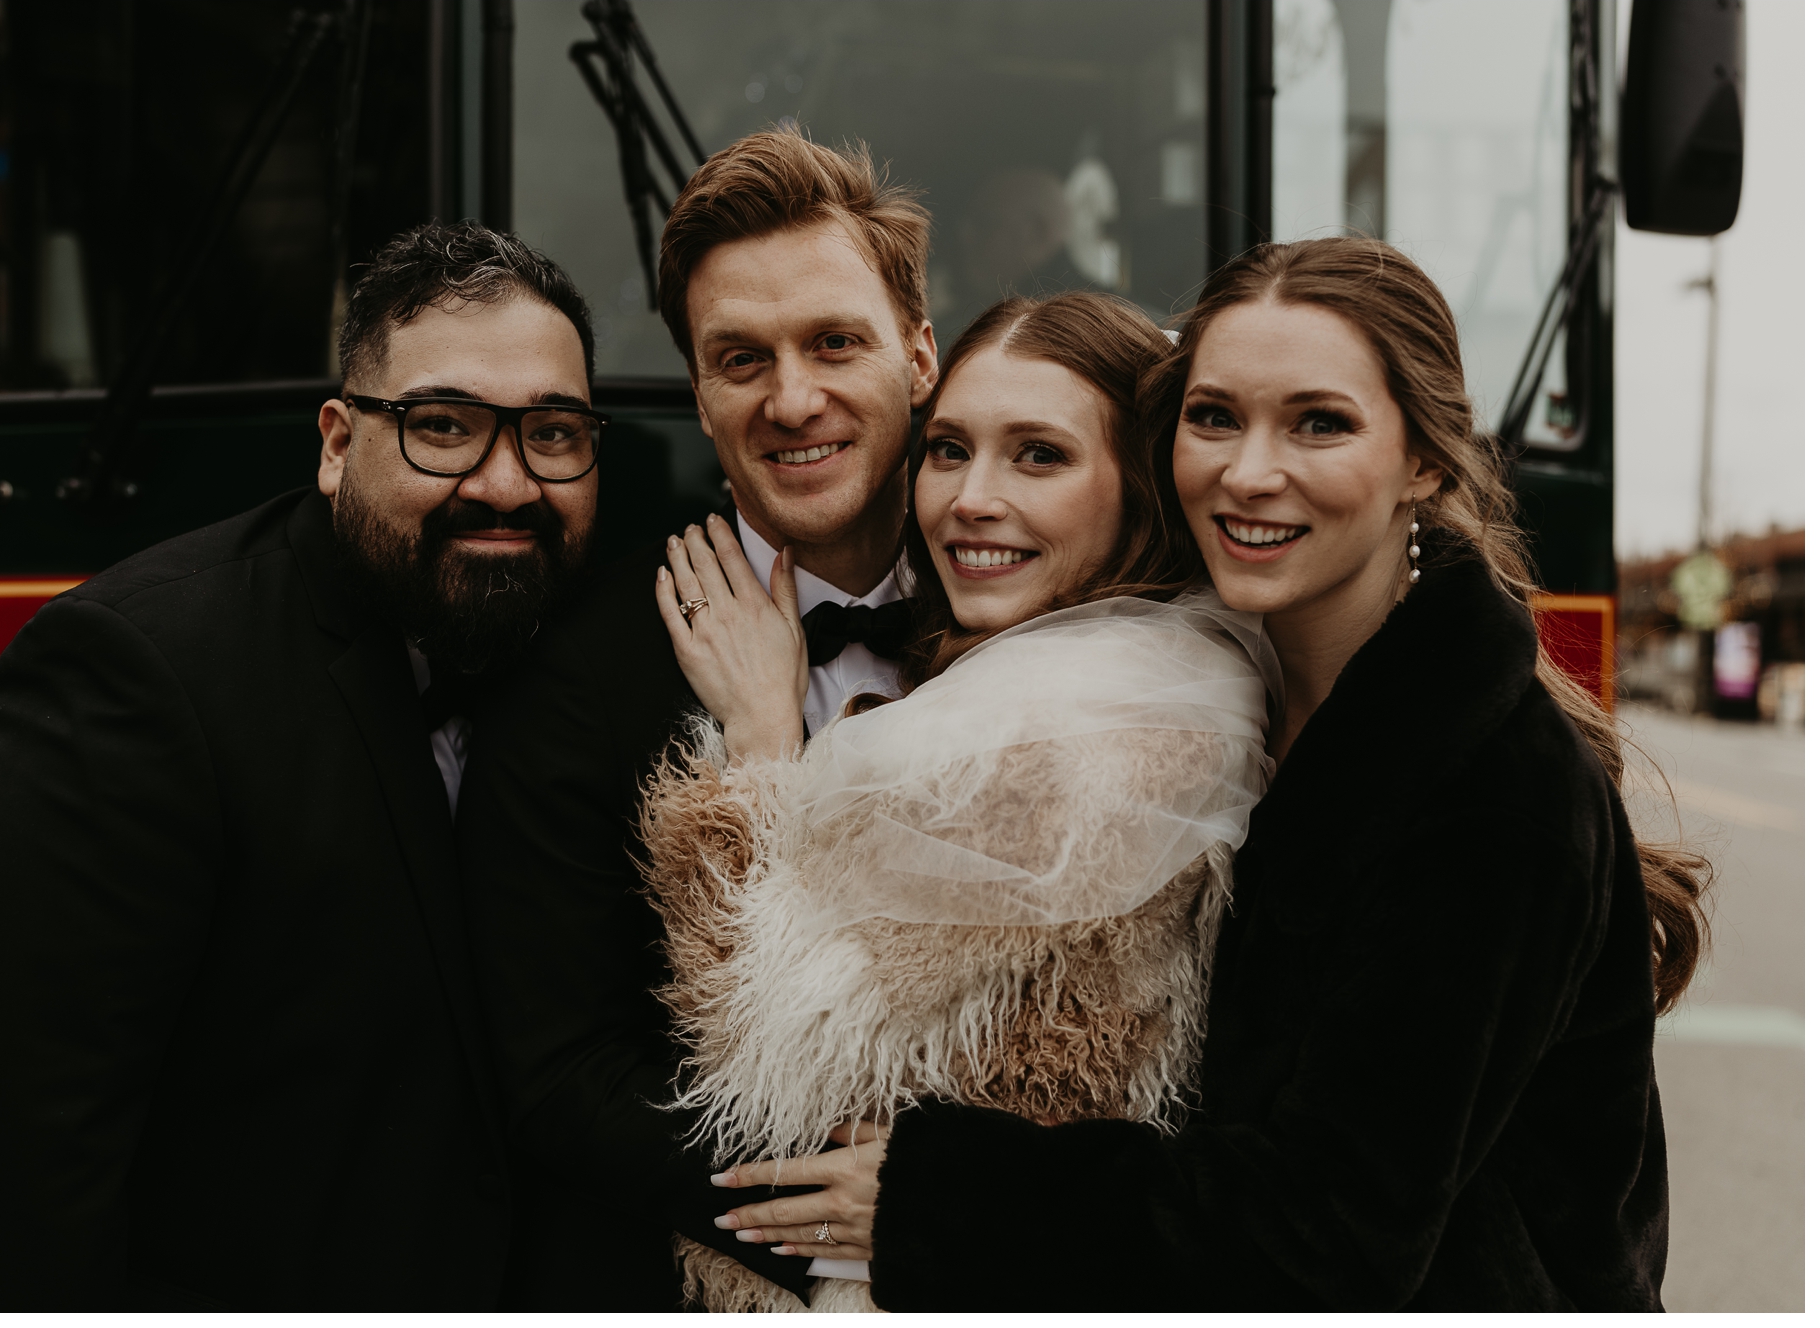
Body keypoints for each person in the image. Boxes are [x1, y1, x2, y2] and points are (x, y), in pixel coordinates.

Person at [733, 236, 1711, 1310]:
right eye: (1213, 417)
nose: (1247, 470)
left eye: (1318, 423)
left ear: (1424, 461)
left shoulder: (1489, 788)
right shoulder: (1238, 692)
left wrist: (941, 1190)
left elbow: (1326, 1234)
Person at [0, 223, 604, 1309]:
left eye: (552, 432)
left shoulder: (592, 648)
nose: (505, 482)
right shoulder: (126, 675)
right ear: (335, 442)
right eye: (441, 426)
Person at [640, 291, 1276, 1312]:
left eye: (1038, 455)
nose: (969, 499)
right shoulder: (1162, 670)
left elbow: (763, 1043)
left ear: (1142, 489)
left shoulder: (1068, 730)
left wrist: (760, 739)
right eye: (947, 450)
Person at [456, 127, 939, 1308]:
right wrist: (843, 1219)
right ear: (699, 394)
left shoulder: (1047, 613)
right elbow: (562, 1077)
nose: (791, 398)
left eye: (835, 342)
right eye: (741, 358)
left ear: (918, 355)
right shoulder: (577, 671)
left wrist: (965, 1206)